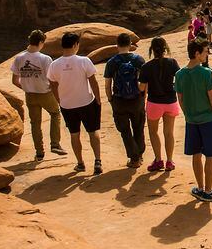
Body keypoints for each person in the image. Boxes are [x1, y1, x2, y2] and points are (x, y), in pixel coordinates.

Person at [175, 39, 212, 202]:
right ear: (197, 54)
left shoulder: (179, 74)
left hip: (192, 121)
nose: (207, 54)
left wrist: (188, 114)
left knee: (196, 154)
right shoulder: (206, 73)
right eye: (205, 52)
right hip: (209, 120)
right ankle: (208, 191)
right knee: (210, 155)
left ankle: (199, 188)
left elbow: (180, 99)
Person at [46, 32, 102, 175]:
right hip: (86, 102)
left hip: (67, 105)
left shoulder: (54, 65)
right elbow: (93, 81)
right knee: (93, 131)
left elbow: (52, 84)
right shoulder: (84, 61)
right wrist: (98, 98)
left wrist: (59, 100)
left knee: (74, 134)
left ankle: (80, 163)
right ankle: (97, 161)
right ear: (76, 45)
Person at [10, 29, 67, 161]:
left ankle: (39, 152)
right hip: (45, 93)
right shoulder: (45, 59)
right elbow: (53, 78)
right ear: (41, 42)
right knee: (55, 113)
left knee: (35, 123)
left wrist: (25, 87)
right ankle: (55, 144)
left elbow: (14, 81)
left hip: (30, 95)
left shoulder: (19, 58)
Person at [104, 32, 147, 168]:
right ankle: (139, 155)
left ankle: (133, 157)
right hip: (136, 99)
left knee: (125, 130)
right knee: (138, 128)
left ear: (117, 45)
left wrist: (110, 99)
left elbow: (107, 84)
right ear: (130, 44)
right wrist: (143, 96)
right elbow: (144, 82)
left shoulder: (112, 62)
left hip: (119, 100)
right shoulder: (138, 60)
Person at [139, 36, 181, 172]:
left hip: (154, 103)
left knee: (153, 132)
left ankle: (158, 160)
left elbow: (141, 88)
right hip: (170, 102)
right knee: (169, 133)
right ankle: (169, 161)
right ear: (165, 48)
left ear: (152, 49)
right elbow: (180, 80)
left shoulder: (146, 66)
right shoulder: (172, 62)